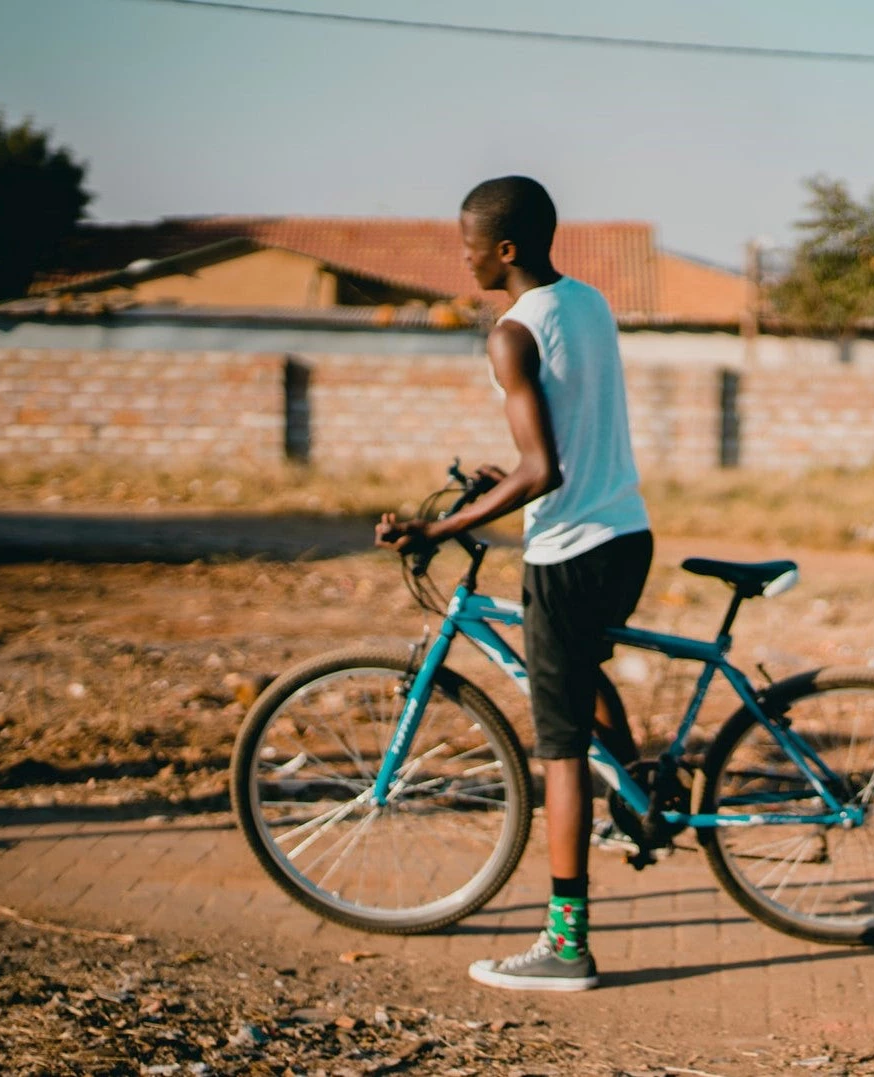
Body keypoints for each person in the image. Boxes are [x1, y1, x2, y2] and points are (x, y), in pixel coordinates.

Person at [375, 176, 652, 992]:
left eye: (466, 245)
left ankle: (567, 946)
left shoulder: (509, 333)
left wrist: (440, 528)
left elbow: (541, 467)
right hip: (624, 534)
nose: (458, 257)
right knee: (578, 674)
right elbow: (572, 430)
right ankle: (637, 800)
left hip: (567, 553)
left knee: (558, 751)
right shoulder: (588, 302)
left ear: (504, 250)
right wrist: (507, 483)